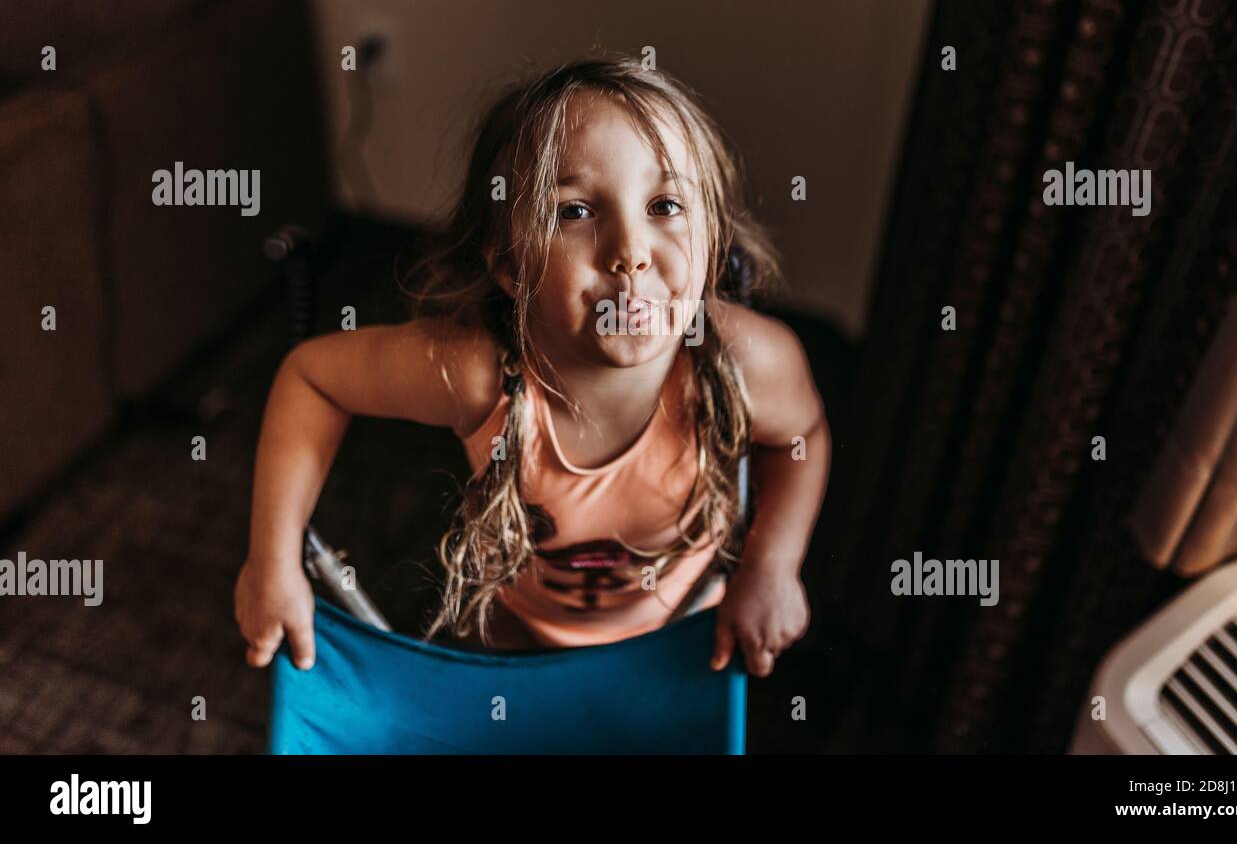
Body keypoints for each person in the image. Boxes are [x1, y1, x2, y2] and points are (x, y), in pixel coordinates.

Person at [235, 52, 830, 678]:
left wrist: (772, 564)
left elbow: (802, 437)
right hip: (511, 624)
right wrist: (271, 557)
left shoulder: (746, 361)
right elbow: (312, 378)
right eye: (574, 212)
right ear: (512, 268)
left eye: (665, 206)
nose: (629, 253)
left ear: (712, 238)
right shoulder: (475, 374)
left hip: (686, 628)